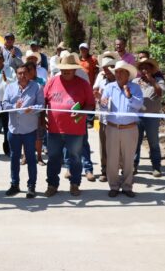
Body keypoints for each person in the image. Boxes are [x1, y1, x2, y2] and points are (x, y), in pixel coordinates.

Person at [43, 53, 94, 197]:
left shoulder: (83, 84)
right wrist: (42, 120)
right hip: (54, 130)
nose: (65, 71)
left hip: (76, 130)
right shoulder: (52, 82)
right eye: (63, 69)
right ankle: (52, 185)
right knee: (53, 158)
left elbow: (90, 104)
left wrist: (82, 113)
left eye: (69, 69)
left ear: (75, 70)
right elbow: (43, 101)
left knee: (76, 158)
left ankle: (75, 184)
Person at [100, 61, 144, 198]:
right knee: (112, 159)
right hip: (112, 127)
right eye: (117, 72)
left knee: (128, 159)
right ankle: (113, 186)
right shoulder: (109, 87)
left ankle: (127, 186)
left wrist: (129, 95)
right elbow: (103, 107)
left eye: (121, 72)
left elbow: (139, 105)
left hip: (130, 128)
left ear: (127, 74)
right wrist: (101, 103)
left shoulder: (135, 88)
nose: (118, 74)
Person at [2, 63, 44, 198]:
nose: (22, 76)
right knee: (14, 158)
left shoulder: (37, 87)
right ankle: (15, 184)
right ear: (16, 74)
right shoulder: (10, 87)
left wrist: (32, 109)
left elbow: (42, 105)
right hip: (14, 130)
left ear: (29, 73)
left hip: (29, 130)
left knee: (31, 158)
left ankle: (31, 186)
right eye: (19, 73)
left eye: (25, 73)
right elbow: (4, 105)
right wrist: (14, 106)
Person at [133, 57, 165, 177]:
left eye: (146, 68)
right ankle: (133, 165)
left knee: (153, 142)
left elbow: (161, 93)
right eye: (142, 68)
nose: (144, 70)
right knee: (135, 142)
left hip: (152, 117)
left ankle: (156, 167)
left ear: (152, 69)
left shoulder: (159, 80)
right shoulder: (135, 81)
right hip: (137, 116)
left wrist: (152, 81)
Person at [93, 52, 118, 182]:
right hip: (103, 118)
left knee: (116, 147)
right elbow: (96, 94)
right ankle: (104, 170)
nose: (107, 70)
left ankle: (115, 171)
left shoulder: (121, 82)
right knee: (103, 145)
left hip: (117, 121)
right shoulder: (102, 82)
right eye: (105, 67)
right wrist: (98, 97)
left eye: (110, 67)